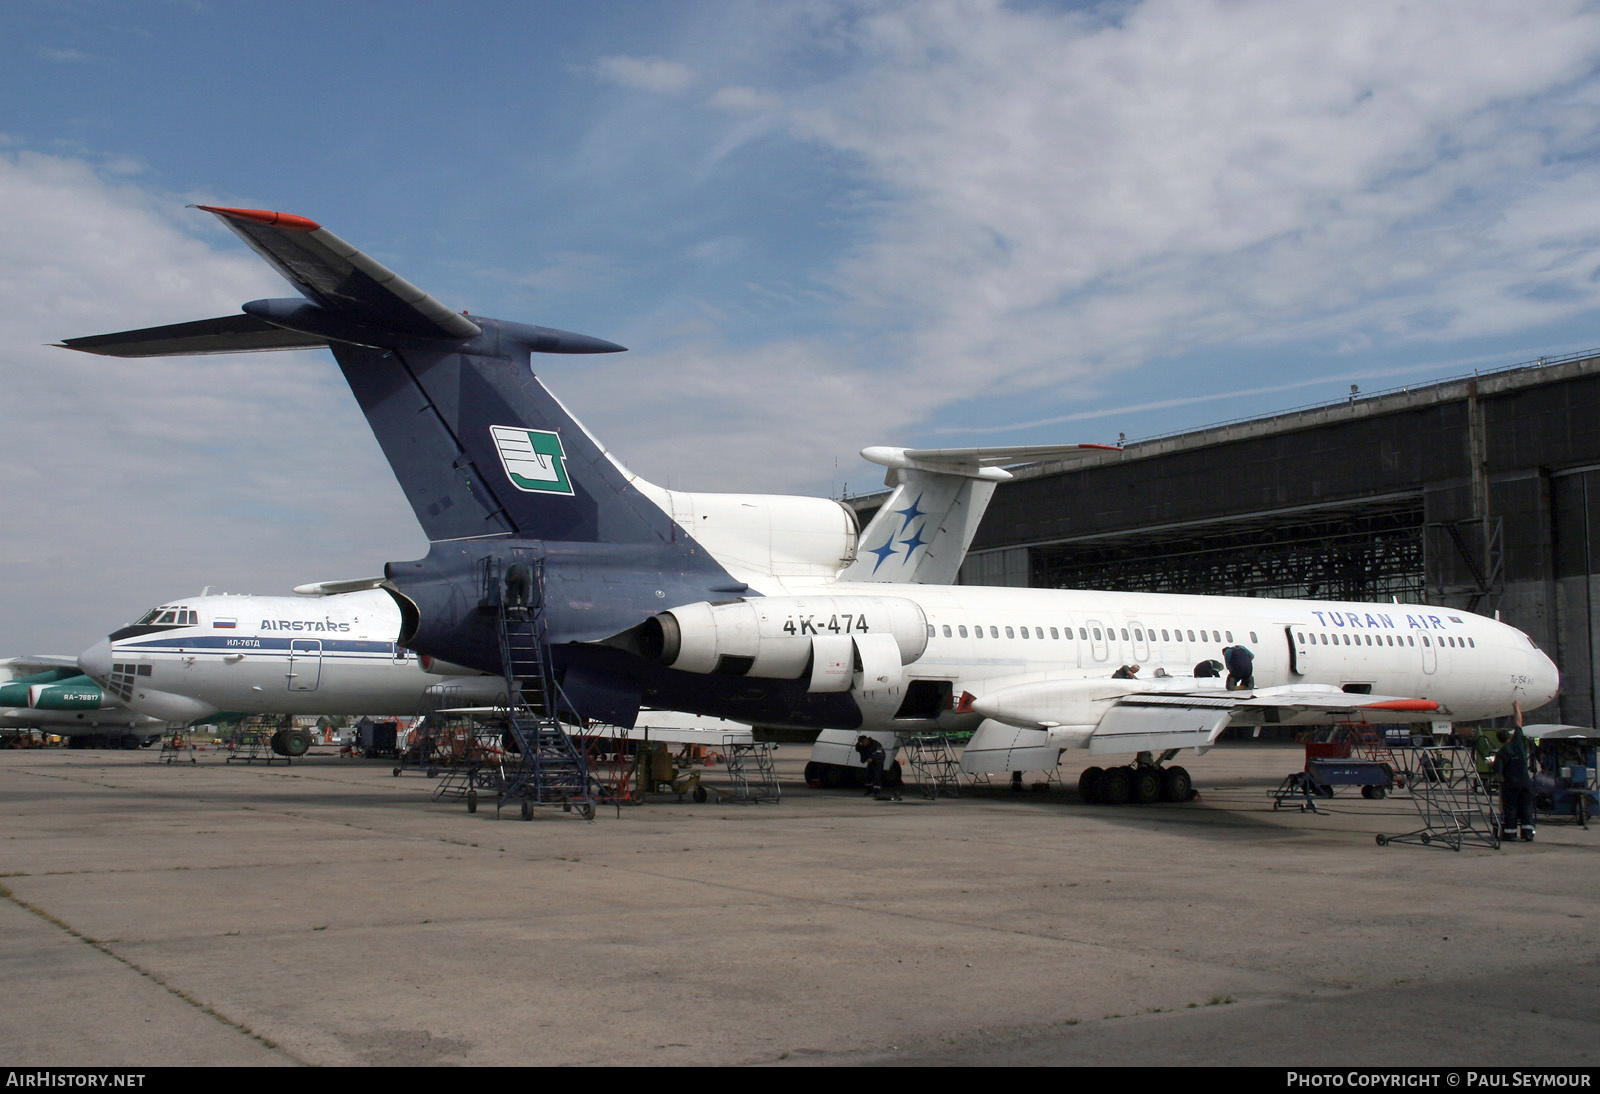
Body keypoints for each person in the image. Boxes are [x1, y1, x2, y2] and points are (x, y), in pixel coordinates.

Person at [1493, 724, 1536, 842]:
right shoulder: (1518, 744)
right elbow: (1518, 724)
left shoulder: (1501, 753)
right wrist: (1516, 707)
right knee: (1526, 807)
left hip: (1511, 784)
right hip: (1525, 782)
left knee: (1511, 808)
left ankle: (1510, 834)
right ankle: (1528, 833)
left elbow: (1498, 772)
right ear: (1510, 736)